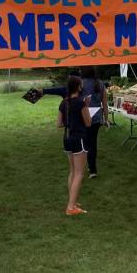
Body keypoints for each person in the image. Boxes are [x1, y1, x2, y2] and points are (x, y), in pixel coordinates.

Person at [57, 75, 92, 215]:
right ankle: (71, 207)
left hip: (67, 138)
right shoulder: (81, 103)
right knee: (79, 173)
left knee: (72, 171)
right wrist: (87, 107)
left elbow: (58, 124)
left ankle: (72, 200)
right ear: (78, 87)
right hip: (79, 139)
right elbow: (88, 123)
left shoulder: (63, 102)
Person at [80, 66, 109, 178]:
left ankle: (86, 167)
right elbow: (105, 104)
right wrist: (106, 119)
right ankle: (92, 170)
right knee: (93, 143)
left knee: (84, 143)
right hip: (96, 117)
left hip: (83, 116)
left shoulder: (81, 84)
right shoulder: (100, 84)